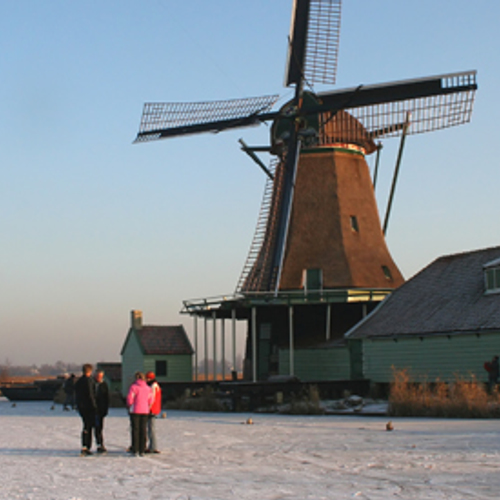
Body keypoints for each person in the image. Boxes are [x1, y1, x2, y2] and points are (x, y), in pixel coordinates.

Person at [126, 372, 153, 457]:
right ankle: (142, 449)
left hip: (135, 410)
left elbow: (130, 399)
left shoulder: (133, 387)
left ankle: (135, 448)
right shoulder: (148, 388)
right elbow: (151, 400)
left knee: (135, 430)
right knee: (143, 430)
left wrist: (130, 405)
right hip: (145, 411)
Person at [74, 364, 97, 456]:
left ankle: (85, 445)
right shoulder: (89, 381)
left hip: (81, 406)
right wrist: (94, 406)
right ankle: (86, 446)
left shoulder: (79, 381)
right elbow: (90, 394)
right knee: (88, 426)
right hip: (88, 407)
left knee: (86, 426)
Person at [145, 371, 162, 453]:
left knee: (151, 428)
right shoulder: (156, 385)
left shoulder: (153, 386)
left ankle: (153, 446)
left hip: (152, 410)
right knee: (151, 428)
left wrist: (148, 408)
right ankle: (152, 446)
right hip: (155, 409)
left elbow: (152, 398)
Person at [94, 370, 110, 453]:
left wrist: (105, 409)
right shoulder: (92, 384)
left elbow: (106, 398)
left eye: (100, 376)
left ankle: (100, 444)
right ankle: (97, 444)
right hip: (92, 410)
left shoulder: (104, 385)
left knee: (99, 427)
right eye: (98, 376)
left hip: (101, 410)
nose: (99, 378)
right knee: (94, 428)